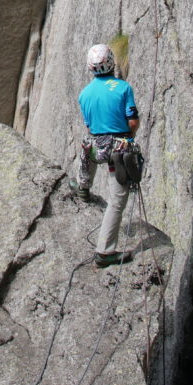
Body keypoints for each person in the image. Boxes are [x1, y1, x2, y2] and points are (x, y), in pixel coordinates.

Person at [73, 43, 140, 268]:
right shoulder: (123, 88)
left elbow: (90, 125)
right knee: (117, 200)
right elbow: (132, 122)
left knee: (88, 149)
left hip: (96, 146)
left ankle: (83, 187)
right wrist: (128, 138)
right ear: (111, 62)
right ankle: (105, 250)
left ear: (90, 68)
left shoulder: (84, 95)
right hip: (118, 149)